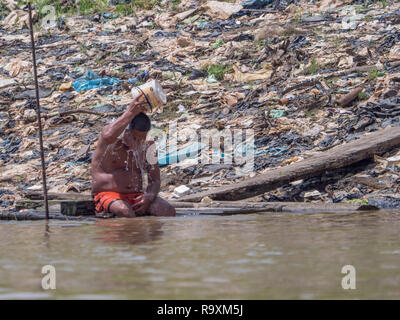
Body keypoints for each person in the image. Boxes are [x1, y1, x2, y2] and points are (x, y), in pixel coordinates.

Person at [91, 93, 176, 218]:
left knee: (167, 211)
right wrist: (130, 112)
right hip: (108, 194)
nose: (138, 142)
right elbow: (108, 134)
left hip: (136, 196)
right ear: (126, 132)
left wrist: (149, 196)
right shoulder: (111, 143)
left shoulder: (148, 146)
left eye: (142, 138)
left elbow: (155, 180)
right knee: (125, 212)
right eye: (135, 138)